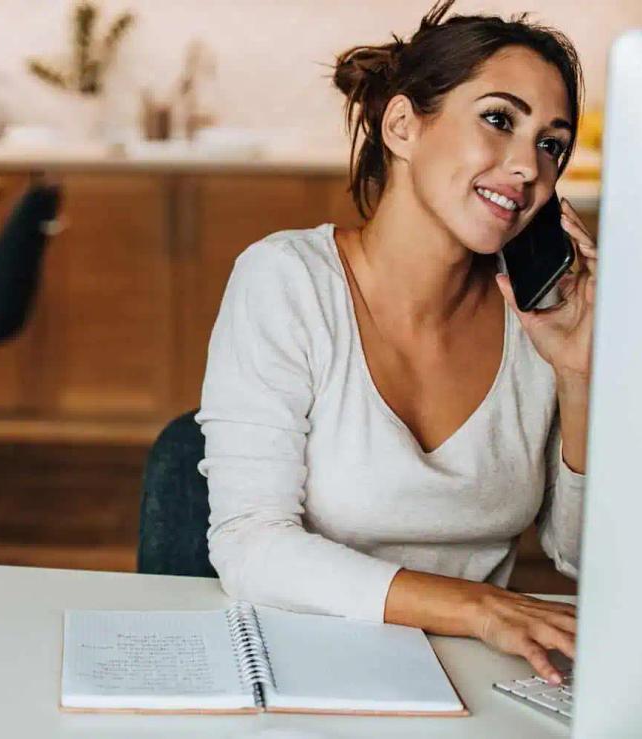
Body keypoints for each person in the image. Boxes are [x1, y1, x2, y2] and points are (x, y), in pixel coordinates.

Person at [199, 0, 597, 685]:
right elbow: (249, 547)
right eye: (499, 120)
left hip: (478, 679)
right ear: (404, 125)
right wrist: (473, 606)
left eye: (551, 144)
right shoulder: (287, 282)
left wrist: (580, 371)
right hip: (302, 667)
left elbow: (583, 552)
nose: (528, 166)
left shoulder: (543, 323)